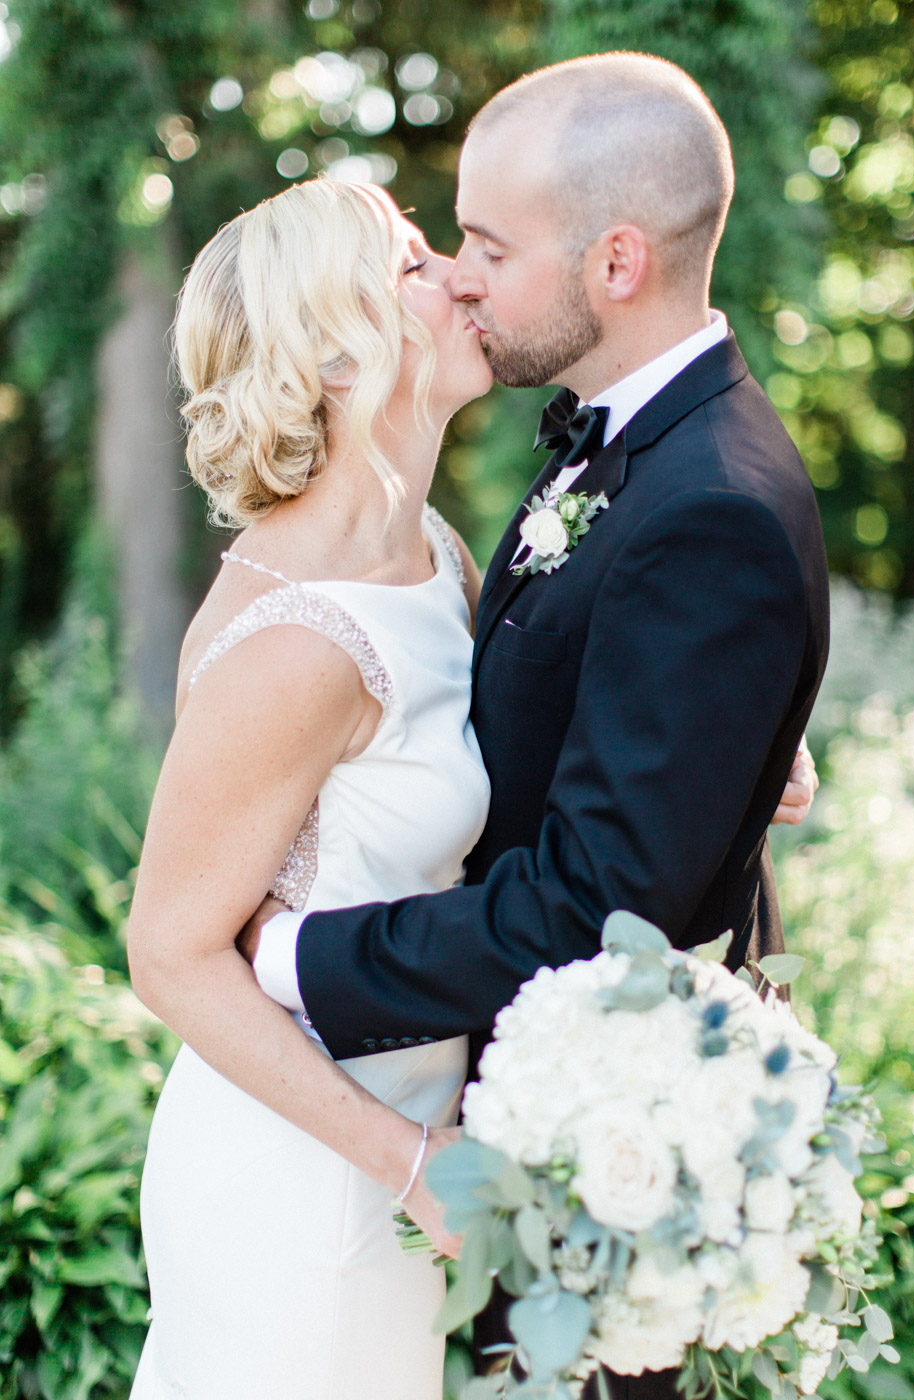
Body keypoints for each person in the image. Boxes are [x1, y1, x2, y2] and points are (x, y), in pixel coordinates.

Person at [244, 52, 831, 1400]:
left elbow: (593, 906)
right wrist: (727, 754)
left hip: (605, 1142)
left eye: (489, 246)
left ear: (614, 263)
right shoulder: (621, 442)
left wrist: (293, 959)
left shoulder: (708, 507)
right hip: (513, 1102)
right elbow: (589, 707)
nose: (457, 273)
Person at [127, 177, 494, 1399]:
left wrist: (742, 756)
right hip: (303, 1175)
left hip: (413, 1145)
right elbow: (171, 951)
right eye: (409, 263)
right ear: (335, 355)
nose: (456, 273)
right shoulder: (295, 643)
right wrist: (405, 1161)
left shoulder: (436, 555)